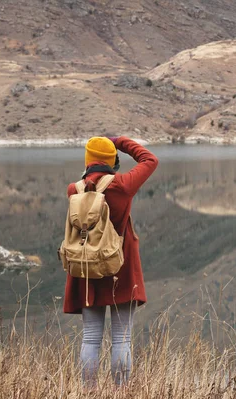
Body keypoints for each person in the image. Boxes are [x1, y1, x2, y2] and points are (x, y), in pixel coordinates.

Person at [63, 136, 158, 388]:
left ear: (87, 160)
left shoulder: (75, 189)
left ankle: (89, 391)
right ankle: (121, 391)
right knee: (122, 339)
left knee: (91, 339)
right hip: (120, 267)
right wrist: (119, 141)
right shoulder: (122, 185)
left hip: (86, 267)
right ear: (112, 160)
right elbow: (150, 159)